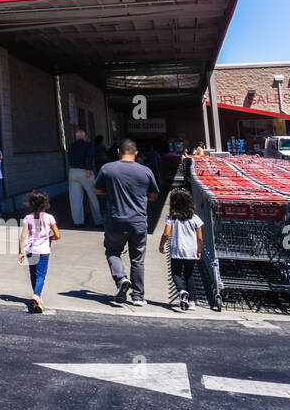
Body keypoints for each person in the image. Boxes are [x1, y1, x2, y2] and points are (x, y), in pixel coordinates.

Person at [94, 138, 160, 305]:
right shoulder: (145, 171)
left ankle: (121, 279)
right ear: (136, 153)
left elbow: (97, 189)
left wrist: (112, 193)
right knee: (137, 258)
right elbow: (153, 195)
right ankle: (138, 296)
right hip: (138, 221)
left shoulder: (108, 169)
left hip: (115, 220)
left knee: (112, 251)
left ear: (118, 152)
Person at [160, 189, 204, 311]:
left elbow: (166, 234)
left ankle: (181, 291)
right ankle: (192, 302)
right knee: (189, 275)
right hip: (191, 250)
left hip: (177, 250)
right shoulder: (195, 218)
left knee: (176, 273)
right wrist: (199, 250)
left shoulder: (171, 217)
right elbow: (200, 238)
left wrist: (161, 245)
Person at [18, 190, 60, 313]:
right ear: (45, 204)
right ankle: (37, 295)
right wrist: (50, 238)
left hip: (31, 250)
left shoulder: (28, 218)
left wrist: (21, 252)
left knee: (33, 274)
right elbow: (58, 235)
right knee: (41, 275)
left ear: (31, 204)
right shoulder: (49, 218)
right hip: (44, 251)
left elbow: (23, 236)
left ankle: (38, 299)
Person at [65, 129, 102, 227]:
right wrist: (89, 169)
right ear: (84, 136)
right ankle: (98, 221)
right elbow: (89, 157)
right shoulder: (88, 145)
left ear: (76, 136)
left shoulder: (71, 146)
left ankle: (78, 221)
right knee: (93, 196)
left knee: (75, 199)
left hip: (72, 172)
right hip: (85, 171)